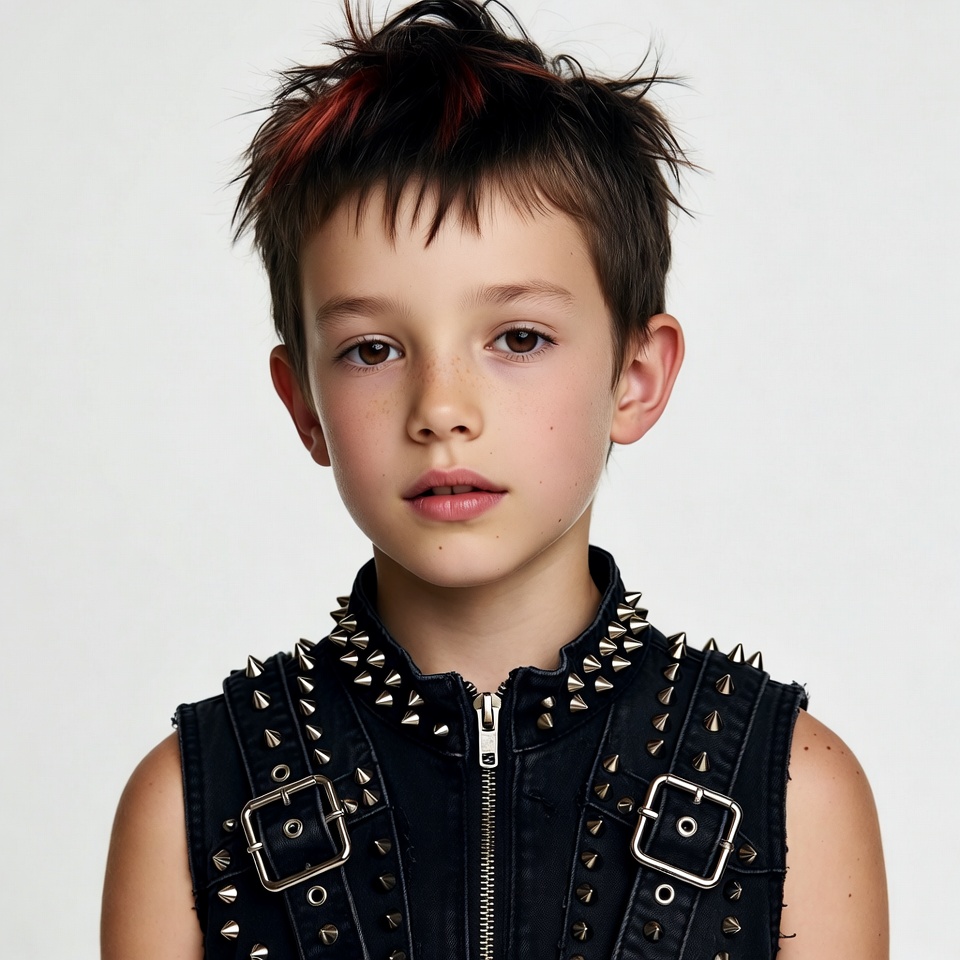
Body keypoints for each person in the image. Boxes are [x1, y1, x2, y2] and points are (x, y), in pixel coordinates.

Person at [101, 2, 888, 957]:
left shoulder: (794, 789)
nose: (442, 408)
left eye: (518, 338)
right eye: (372, 348)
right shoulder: (191, 804)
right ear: (303, 402)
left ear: (636, 378)